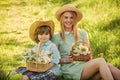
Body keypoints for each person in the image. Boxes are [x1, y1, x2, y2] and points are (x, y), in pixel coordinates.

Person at [52, 4, 120, 80]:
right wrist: (64, 60)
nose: (69, 20)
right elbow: (52, 59)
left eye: (71, 17)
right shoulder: (56, 37)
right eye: (66, 17)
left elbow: (89, 53)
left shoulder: (82, 33)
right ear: (61, 19)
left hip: (85, 66)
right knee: (101, 61)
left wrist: (88, 56)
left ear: (75, 19)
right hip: (71, 69)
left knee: (108, 66)